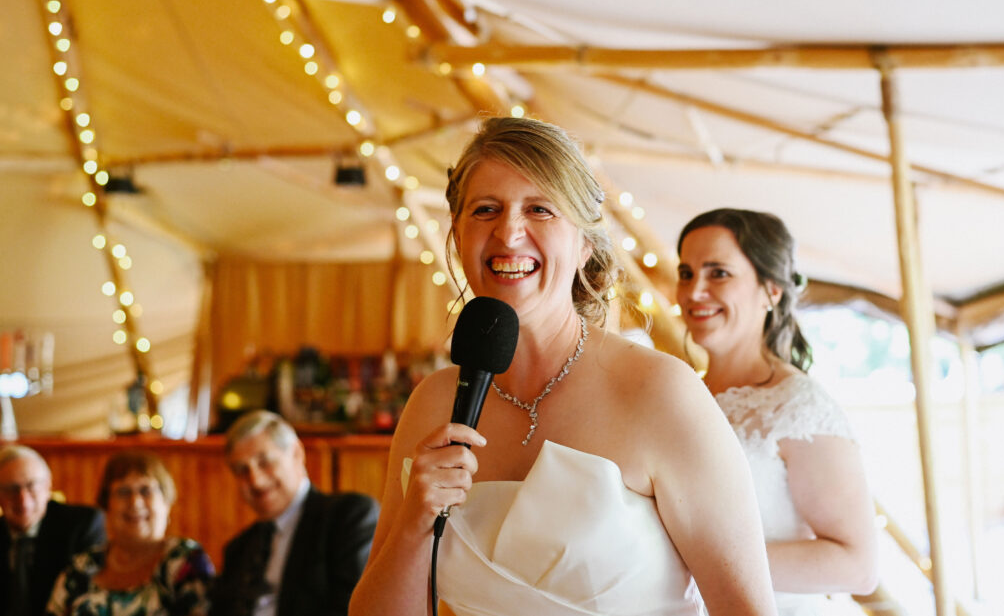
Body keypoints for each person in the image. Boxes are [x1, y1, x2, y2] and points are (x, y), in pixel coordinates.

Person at [350, 117, 777, 616]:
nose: (508, 232)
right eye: (485, 209)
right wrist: (413, 525)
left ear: (585, 244)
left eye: (540, 209)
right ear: (460, 236)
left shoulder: (660, 392)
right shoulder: (435, 402)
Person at [675, 208, 879, 615]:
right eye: (686, 273)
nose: (694, 291)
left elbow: (857, 565)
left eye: (718, 273)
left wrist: (697, 564)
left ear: (772, 291)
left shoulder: (798, 406)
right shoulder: (679, 395)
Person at [211, 410, 379, 616]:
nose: (255, 480)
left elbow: (355, 610)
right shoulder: (238, 549)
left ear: (297, 453)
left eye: (265, 462)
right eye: (242, 470)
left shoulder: (347, 517)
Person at [45, 449, 214, 616]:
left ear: (166, 501)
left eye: (146, 491)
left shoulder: (185, 561)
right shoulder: (80, 569)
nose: (135, 502)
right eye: (123, 492)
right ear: (106, 504)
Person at [0, 445, 106, 616]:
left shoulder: (82, 525)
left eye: (31, 486)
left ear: (48, 486)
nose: (22, 499)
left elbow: (88, 600)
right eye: (11, 489)